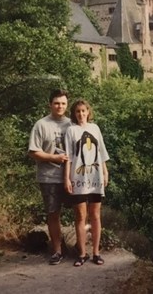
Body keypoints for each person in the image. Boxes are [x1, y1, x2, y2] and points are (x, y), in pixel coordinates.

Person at [64, 99, 109, 267]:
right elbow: (68, 157)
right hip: (78, 178)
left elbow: (102, 152)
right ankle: (82, 253)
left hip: (95, 177)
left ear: (88, 112)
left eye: (84, 111)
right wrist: (67, 178)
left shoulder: (95, 128)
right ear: (74, 114)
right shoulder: (71, 131)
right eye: (78, 111)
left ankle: (96, 252)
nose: (81, 114)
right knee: (81, 216)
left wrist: (105, 172)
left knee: (96, 215)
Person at [28, 89, 71, 265]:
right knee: (53, 214)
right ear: (50, 104)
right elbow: (33, 152)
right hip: (49, 177)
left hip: (71, 177)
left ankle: (80, 248)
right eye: (56, 103)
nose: (60, 106)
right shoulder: (41, 125)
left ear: (67, 105)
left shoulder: (72, 124)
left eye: (63, 103)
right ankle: (57, 251)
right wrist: (55, 158)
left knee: (79, 212)